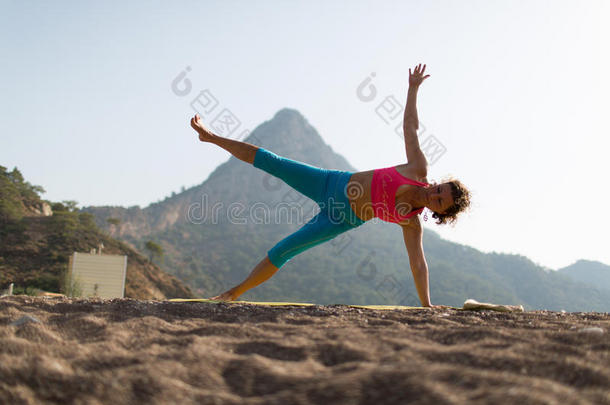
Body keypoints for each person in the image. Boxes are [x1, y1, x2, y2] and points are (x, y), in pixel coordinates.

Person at [189, 64, 471, 307]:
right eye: (439, 189)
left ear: (438, 213)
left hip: (339, 219)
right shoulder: (417, 168)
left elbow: (418, 265)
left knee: (285, 250)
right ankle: (211, 137)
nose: (434, 194)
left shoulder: (411, 224)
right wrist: (413, 89)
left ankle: (234, 293)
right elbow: (410, 127)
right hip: (332, 182)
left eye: (438, 201)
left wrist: (426, 304)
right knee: (273, 162)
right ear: (438, 183)